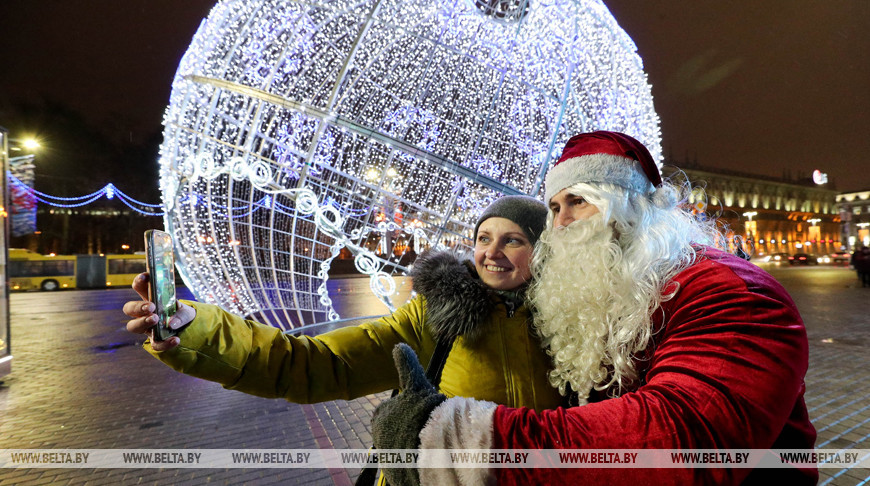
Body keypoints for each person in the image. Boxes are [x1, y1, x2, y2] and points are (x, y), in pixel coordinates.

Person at [371, 131, 817, 485]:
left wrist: (465, 440)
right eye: (554, 206)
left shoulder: (730, 292)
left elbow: (682, 437)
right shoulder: (602, 294)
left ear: (630, 207)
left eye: (578, 201)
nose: (559, 224)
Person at [123, 196, 563, 481]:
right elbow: (314, 363)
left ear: (543, 252)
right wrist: (193, 327)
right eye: (484, 238)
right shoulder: (434, 316)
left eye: (513, 240)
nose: (491, 252)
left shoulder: (576, 326)